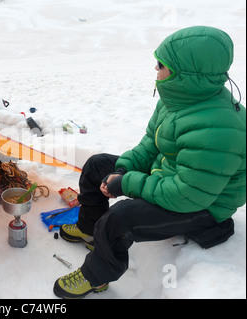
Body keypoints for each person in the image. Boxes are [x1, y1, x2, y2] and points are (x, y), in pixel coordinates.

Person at [53, 25, 246, 299]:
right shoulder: (177, 100)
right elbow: (149, 145)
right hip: (172, 180)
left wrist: (127, 184)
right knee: (97, 165)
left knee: (119, 218)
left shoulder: (219, 127)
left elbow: (188, 195)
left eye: (161, 65)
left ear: (186, 73)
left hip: (204, 207)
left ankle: (96, 276)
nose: (156, 70)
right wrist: (122, 169)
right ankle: (88, 229)